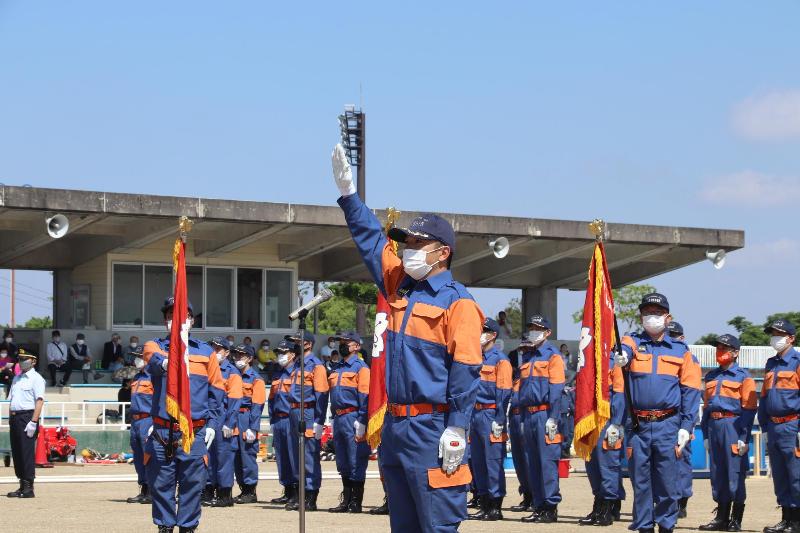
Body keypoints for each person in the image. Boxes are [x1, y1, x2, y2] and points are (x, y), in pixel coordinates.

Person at [334, 143, 484, 532]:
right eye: (407, 244)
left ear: (443, 252)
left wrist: (457, 427)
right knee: (403, 525)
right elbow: (371, 240)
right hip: (397, 428)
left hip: (431, 427)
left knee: (436, 524)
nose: (408, 251)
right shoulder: (398, 284)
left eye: (418, 245)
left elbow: (466, 372)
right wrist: (350, 197)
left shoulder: (459, 305)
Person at [614, 293, 701, 533]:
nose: (652, 317)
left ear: (668, 317)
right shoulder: (631, 342)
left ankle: (666, 526)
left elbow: (691, 390)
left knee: (667, 482)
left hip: (668, 425)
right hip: (638, 425)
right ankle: (643, 526)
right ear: (641, 317)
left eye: (657, 313)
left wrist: (686, 426)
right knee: (640, 483)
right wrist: (622, 356)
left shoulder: (681, 351)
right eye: (647, 313)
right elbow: (624, 349)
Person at [142, 297, 225, 533]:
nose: (176, 320)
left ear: (191, 320)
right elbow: (154, 363)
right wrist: (174, 359)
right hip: (162, 431)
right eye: (171, 316)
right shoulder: (155, 346)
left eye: (182, 316)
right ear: (165, 320)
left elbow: (217, 391)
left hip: (194, 430)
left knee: (192, 485)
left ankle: (187, 527)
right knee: (161, 485)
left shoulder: (205, 352)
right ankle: (165, 526)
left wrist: (213, 424)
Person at [698, 334, 756, 532]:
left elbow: (749, 409)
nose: (720, 351)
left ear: (736, 352)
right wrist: (705, 434)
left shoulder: (744, 377)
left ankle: (736, 519)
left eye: (725, 348)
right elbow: (706, 408)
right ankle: (721, 517)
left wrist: (743, 437)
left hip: (733, 426)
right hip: (714, 426)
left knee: (735, 473)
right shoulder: (711, 377)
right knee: (718, 473)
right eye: (718, 348)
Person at [517, 314, 565, 523]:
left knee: (547, 462)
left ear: (547, 332)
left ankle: (549, 506)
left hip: (545, 414)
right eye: (531, 327)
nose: (533, 331)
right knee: (532, 463)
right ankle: (538, 505)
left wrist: (553, 418)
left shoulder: (553, 356)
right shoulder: (527, 356)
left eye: (538, 328)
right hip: (528, 415)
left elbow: (556, 389)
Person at [468, 318, 512, 521]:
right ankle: (484, 502)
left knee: (492, 462)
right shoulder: (476, 358)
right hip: (475, 414)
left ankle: (495, 506)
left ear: (493, 334)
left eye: (483, 330)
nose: (479, 333)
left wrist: (500, 419)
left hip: (490, 414)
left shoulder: (500, 360)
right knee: (477, 461)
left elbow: (503, 392)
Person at [578, 342, 626, 527]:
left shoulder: (615, 364)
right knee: (592, 466)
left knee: (608, 465)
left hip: (607, 420)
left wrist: (617, 423)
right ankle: (598, 504)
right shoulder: (588, 365)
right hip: (590, 419)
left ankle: (609, 507)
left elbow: (619, 394)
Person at [759, 319, 800, 533]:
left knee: (796, 475)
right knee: (781, 476)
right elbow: (764, 398)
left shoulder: (798, 362)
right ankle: (786, 519)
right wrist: (765, 428)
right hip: (774, 427)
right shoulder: (770, 364)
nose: (775, 337)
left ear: (791, 338)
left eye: (779, 334)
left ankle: (797, 521)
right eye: (773, 333)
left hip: (793, 426)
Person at [327, 331, 371, 514]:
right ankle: (345, 500)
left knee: (356, 459)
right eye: (341, 342)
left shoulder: (361, 368)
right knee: (343, 461)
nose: (343, 345)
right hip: (338, 418)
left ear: (357, 346)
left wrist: (362, 420)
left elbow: (365, 396)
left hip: (353, 417)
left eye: (347, 342)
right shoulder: (336, 368)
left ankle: (355, 501)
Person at [285, 330, 329, 511]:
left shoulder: (316, 366)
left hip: (308, 412)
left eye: (298, 341)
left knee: (309, 457)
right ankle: (299, 494)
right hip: (294, 412)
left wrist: (319, 421)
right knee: (296, 456)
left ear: (308, 344)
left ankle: (311, 496)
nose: (295, 345)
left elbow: (322, 394)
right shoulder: (297, 364)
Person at [203, 337, 243, 508]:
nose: (214, 351)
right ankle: (207, 491)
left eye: (218, 349)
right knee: (207, 457)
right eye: (212, 347)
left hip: (223, 418)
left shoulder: (232, 372)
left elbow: (235, 399)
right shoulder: (206, 369)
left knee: (223, 458)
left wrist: (230, 422)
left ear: (227, 353)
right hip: (207, 417)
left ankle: (225, 495)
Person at [6, 349, 44, 498]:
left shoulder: (36, 378)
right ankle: (22, 484)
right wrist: (10, 418)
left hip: (27, 417)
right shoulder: (17, 378)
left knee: (26, 452)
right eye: (20, 359)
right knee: (17, 452)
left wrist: (33, 422)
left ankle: (29, 487)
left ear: (33, 361)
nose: (21, 361)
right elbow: (12, 400)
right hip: (15, 418)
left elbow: (39, 401)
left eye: (25, 358)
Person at [666, 321, 695, 519]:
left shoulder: (688, 358)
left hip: (682, 417)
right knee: (663, 461)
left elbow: (691, 394)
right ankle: (665, 501)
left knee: (682, 461)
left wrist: (688, 423)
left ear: (682, 338)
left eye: (674, 335)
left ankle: (681, 503)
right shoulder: (662, 355)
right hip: (665, 418)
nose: (671, 338)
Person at [232, 344, 265, 505]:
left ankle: (250, 490)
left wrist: (253, 427)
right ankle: (242, 489)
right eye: (237, 355)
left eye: (242, 355)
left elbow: (258, 404)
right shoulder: (233, 375)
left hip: (246, 417)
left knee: (247, 455)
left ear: (250, 358)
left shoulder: (256, 378)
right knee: (236, 456)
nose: (238, 358)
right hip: (233, 417)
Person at [268, 340, 298, 506]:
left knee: (293, 456)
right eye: (278, 352)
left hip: (290, 418)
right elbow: (271, 399)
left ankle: (295, 492)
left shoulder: (296, 373)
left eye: (283, 352)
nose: (280, 356)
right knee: (282, 457)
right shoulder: (277, 374)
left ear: (292, 355)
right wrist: (272, 419)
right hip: (278, 419)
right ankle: (287, 490)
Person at [126, 347, 153, 504]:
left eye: (138, 357)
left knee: (148, 456)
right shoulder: (136, 377)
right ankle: (143, 488)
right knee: (138, 457)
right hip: (135, 421)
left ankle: (150, 490)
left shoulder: (154, 378)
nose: (135, 360)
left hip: (147, 419)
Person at [509, 341, 532, 514]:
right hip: (514, 416)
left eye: (527, 350)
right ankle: (526, 495)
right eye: (522, 350)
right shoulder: (517, 375)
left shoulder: (531, 375)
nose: (523, 354)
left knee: (529, 460)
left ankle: (534, 497)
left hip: (526, 415)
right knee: (519, 461)